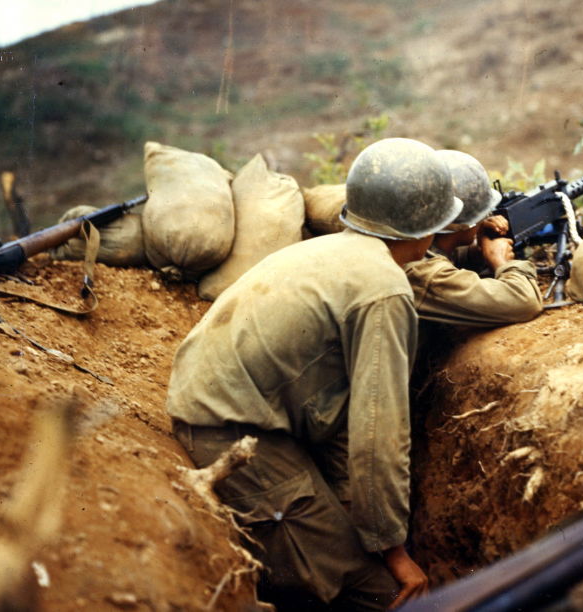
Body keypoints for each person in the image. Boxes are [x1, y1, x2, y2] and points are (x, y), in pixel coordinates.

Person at [166, 137, 463, 611]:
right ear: (428, 227)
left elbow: (340, 410)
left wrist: (353, 508)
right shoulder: (384, 289)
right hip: (230, 431)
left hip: (229, 407)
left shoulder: (331, 250)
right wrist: (393, 550)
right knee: (388, 597)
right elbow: (379, 433)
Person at [405, 150, 543, 328]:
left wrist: (478, 251)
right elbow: (524, 302)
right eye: (482, 212)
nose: (486, 217)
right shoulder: (425, 274)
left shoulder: (414, 246)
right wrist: (501, 261)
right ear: (464, 222)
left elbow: (445, 256)